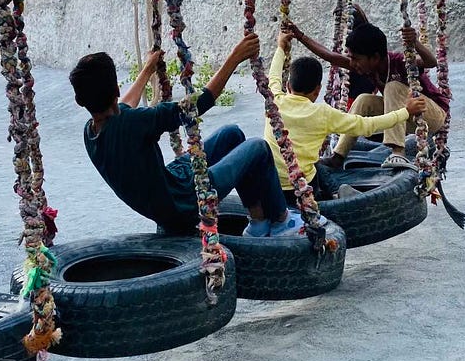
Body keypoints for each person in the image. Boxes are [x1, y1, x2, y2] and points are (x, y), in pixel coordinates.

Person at [69, 35, 306, 240]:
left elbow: (123, 105)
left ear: (81, 102)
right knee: (258, 148)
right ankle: (281, 219)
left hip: (166, 191)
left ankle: (259, 221)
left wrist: (148, 69)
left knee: (231, 134)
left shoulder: (91, 132)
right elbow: (200, 102)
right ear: (116, 90)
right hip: (183, 202)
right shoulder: (134, 123)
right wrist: (235, 56)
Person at [265, 32, 427, 198]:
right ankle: (336, 193)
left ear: (287, 85)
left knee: (313, 165)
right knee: (313, 167)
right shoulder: (323, 113)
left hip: (271, 183)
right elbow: (367, 125)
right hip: (301, 185)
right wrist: (405, 112)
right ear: (317, 91)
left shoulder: (273, 101)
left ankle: (334, 187)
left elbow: (273, 77)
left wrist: (280, 48)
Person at [291, 21, 448, 171]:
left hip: (431, 116)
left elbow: (431, 62)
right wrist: (300, 36)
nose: (352, 64)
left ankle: (398, 153)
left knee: (392, 87)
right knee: (364, 100)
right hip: (407, 116)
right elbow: (331, 57)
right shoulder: (367, 66)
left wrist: (416, 44)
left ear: (375, 58)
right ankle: (338, 157)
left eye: (355, 59)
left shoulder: (399, 61)